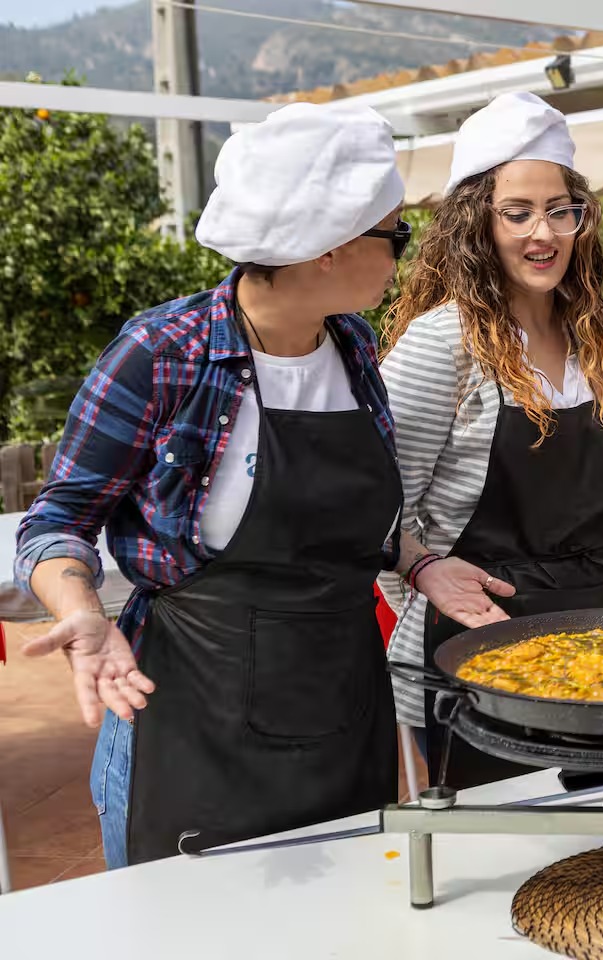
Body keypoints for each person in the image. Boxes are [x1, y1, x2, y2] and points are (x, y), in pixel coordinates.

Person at [12, 103, 503, 868]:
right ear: (328, 249)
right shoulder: (161, 355)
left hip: (342, 709)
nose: (402, 257)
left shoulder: (355, 345)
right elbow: (58, 518)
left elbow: (349, 524)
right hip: (188, 717)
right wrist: (79, 608)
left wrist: (418, 562)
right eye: (395, 234)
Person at [377, 92, 603, 787]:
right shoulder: (443, 342)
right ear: (476, 223)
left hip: (602, 632)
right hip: (482, 647)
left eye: (562, 210)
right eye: (518, 212)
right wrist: (423, 579)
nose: (545, 233)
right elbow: (376, 508)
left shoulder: (598, 339)